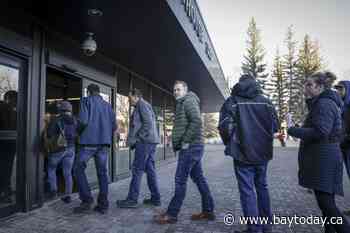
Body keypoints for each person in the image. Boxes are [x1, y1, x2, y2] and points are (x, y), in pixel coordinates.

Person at [288, 71, 350, 233]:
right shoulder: (322, 102)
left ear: (320, 87)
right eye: (305, 84)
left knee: (326, 204)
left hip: (325, 158)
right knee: (326, 203)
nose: (305, 88)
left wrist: (293, 130)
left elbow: (321, 131)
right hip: (324, 156)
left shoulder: (324, 104)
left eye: (309, 85)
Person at [218, 74, 278, 233]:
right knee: (262, 187)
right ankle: (266, 226)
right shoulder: (267, 102)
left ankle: (254, 228)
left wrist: (231, 142)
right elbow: (275, 126)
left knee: (247, 190)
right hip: (263, 152)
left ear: (240, 83)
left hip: (242, 152)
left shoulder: (233, 101)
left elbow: (224, 126)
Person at [154, 80, 215, 224]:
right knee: (199, 178)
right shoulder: (184, 102)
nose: (175, 92)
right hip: (195, 146)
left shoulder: (188, 101)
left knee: (180, 180)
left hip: (190, 147)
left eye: (178, 90)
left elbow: (196, 121)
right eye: (174, 90)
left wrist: (185, 141)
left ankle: (172, 214)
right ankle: (208, 211)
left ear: (185, 90)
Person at [73, 84, 117, 214]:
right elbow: (114, 126)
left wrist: (77, 133)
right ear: (99, 92)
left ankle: (87, 201)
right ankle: (103, 205)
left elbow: (83, 121)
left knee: (77, 168)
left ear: (88, 92)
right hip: (103, 144)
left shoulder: (85, 101)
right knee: (103, 173)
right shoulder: (108, 106)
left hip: (88, 142)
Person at [116, 88, 161, 208]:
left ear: (136, 96)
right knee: (150, 170)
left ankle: (132, 199)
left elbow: (148, 123)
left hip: (145, 142)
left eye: (130, 98)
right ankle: (156, 198)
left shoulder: (142, 105)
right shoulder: (143, 105)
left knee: (137, 169)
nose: (129, 101)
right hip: (150, 142)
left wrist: (138, 137)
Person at [46, 101, 80, 203]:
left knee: (51, 168)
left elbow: (49, 134)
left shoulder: (57, 119)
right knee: (68, 172)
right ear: (70, 110)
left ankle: (53, 191)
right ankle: (68, 195)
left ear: (61, 109)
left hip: (59, 149)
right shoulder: (75, 120)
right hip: (71, 149)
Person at [334, 80, 350, 215]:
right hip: (344, 146)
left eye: (341, 89)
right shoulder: (343, 106)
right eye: (337, 89)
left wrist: (345, 139)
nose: (338, 91)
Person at [0, 90, 17, 203]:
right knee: (6, 168)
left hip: (7, 144)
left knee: (5, 168)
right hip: (10, 144)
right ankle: (5, 191)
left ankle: (5, 191)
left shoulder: (12, 111)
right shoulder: (13, 111)